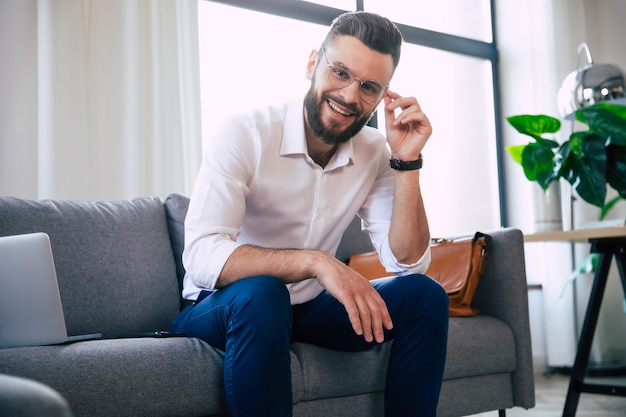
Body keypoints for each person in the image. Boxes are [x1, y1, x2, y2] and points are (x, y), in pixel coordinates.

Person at [171, 11, 449, 417]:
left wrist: (407, 162)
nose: (351, 96)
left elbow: (407, 262)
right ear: (311, 64)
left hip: (306, 310)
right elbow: (200, 257)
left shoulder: (374, 153)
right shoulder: (246, 133)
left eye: (369, 87)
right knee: (263, 293)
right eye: (340, 72)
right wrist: (315, 263)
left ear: (383, 95)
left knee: (423, 296)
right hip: (225, 307)